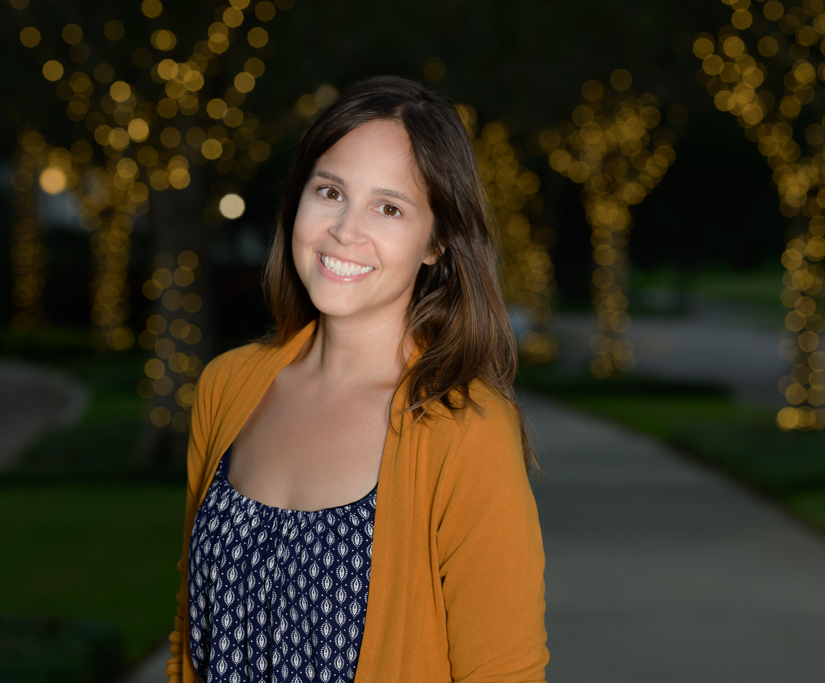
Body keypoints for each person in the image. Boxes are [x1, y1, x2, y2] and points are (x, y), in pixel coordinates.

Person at [164, 75, 549, 683]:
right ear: (299, 199)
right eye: (330, 191)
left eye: (389, 207)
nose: (345, 230)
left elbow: (503, 671)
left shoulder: (465, 430)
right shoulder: (227, 387)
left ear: (436, 242)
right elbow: (191, 632)